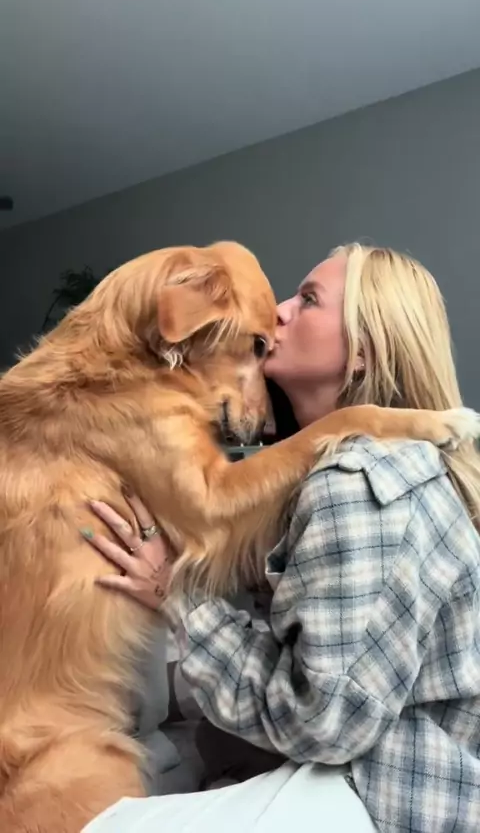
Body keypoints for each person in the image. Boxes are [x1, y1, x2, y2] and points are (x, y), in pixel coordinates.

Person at [81, 244, 480, 833]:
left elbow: (323, 723)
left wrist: (178, 596)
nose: (279, 310)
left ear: (363, 352)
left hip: (393, 798)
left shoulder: (360, 479)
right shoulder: (348, 469)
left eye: (309, 300)